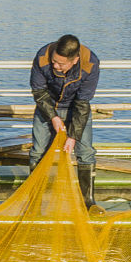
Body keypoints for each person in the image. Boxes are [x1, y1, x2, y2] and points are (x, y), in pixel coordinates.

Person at [29, 34, 101, 212]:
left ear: (75, 60)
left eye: (61, 64)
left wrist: (73, 136)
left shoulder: (90, 64)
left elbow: (83, 102)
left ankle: (88, 200)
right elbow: (38, 91)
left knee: (86, 152)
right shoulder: (42, 56)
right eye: (54, 61)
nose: (55, 65)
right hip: (47, 105)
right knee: (37, 151)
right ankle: (34, 198)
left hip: (77, 108)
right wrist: (53, 117)